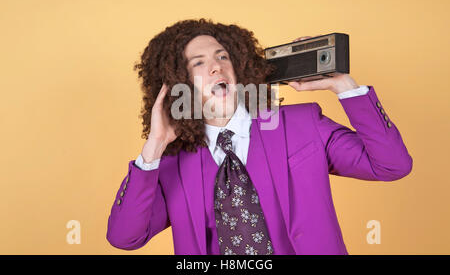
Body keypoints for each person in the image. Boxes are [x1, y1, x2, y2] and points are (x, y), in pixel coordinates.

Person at [106, 18, 413, 255]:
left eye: (223, 56)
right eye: (198, 63)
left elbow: (391, 165)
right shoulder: (170, 164)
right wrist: (154, 147)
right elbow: (125, 237)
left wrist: (344, 87)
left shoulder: (302, 124)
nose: (215, 67)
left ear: (240, 67)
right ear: (175, 82)